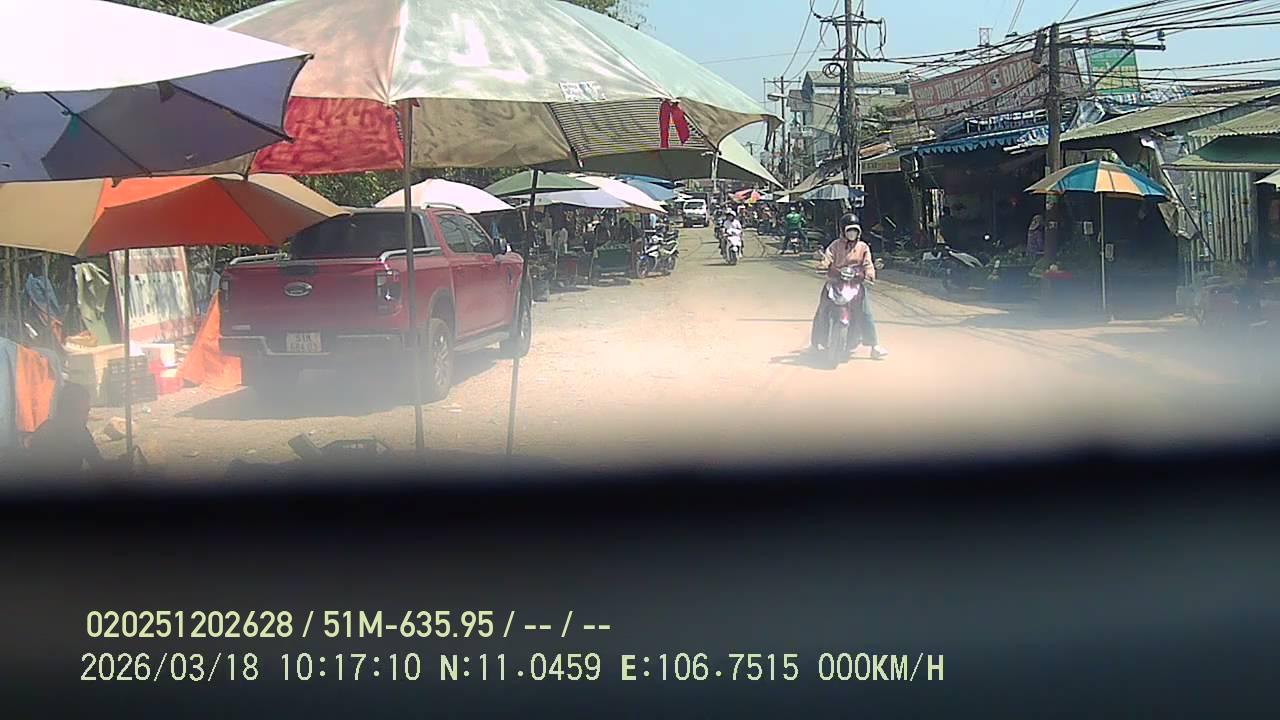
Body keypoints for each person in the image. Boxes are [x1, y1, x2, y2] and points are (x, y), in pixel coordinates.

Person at [811, 214, 889, 360]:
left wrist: (869, 274)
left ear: (859, 232)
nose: (852, 233)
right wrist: (823, 265)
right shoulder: (835, 245)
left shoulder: (863, 247)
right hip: (835, 281)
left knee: (866, 312)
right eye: (849, 230)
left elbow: (868, 263)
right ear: (843, 231)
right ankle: (816, 341)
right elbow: (827, 257)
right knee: (822, 309)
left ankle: (874, 346)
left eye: (854, 230)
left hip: (855, 283)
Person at [25, 383, 106, 474]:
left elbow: (98, 464)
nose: (84, 418)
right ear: (65, 411)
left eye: (86, 412)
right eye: (79, 412)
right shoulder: (45, 435)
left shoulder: (81, 432)